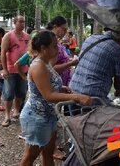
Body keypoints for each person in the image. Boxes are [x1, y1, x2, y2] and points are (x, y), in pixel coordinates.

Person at [19, 30, 92, 166]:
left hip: (49, 115)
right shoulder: (39, 65)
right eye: (54, 45)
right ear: (43, 48)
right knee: (30, 156)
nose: (57, 48)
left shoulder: (45, 62)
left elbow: (47, 85)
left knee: (48, 153)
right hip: (37, 117)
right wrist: (76, 97)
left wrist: (61, 87)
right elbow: (48, 95)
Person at [69, 26, 120, 104]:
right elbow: (118, 82)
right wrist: (119, 92)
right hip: (92, 98)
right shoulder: (118, 49)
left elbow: (94, 63)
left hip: (72, 92)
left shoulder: (90, 39)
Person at [1, 15, 30, 126]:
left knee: (21, 92)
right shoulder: (8, 36)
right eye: (20, 22)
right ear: (15, 23)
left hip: (24, 70)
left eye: (24, 22)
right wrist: (4, 69)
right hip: (11, 69)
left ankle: (16, 110)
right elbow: (3, 53)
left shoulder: (27, 36)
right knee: (8, 94)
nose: (22, 24)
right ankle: (7, 115)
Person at [46, 16, 78, 86]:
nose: (65, 32)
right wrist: (70, 64)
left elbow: (59, 60)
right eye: (64, 29)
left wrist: (69, 60)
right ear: (55, 27)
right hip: (53, 85)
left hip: (61, 84)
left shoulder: (56, 41)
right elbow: (49, 68)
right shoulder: (49, 43)